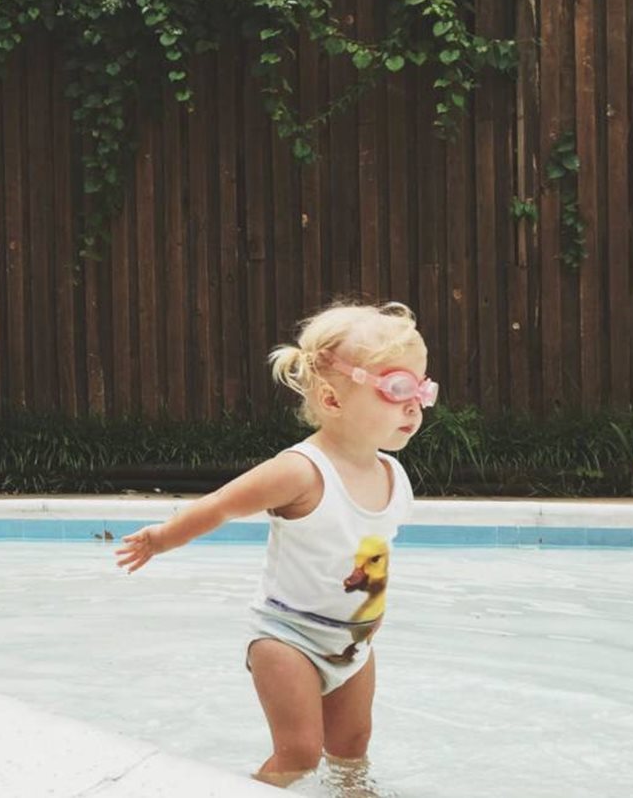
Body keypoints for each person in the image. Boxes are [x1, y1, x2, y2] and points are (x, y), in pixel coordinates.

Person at [114, 301, 434, 787]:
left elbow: (370, 549)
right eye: (397, 388)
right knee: (300, 754)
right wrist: (161, 538)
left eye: (422, 389)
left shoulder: (393, 476)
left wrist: (370, 618)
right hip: (288, 640)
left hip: (352, 645)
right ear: (331, 401)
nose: (414, 404)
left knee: (352, 750)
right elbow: (222, 505)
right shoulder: (301, 471)